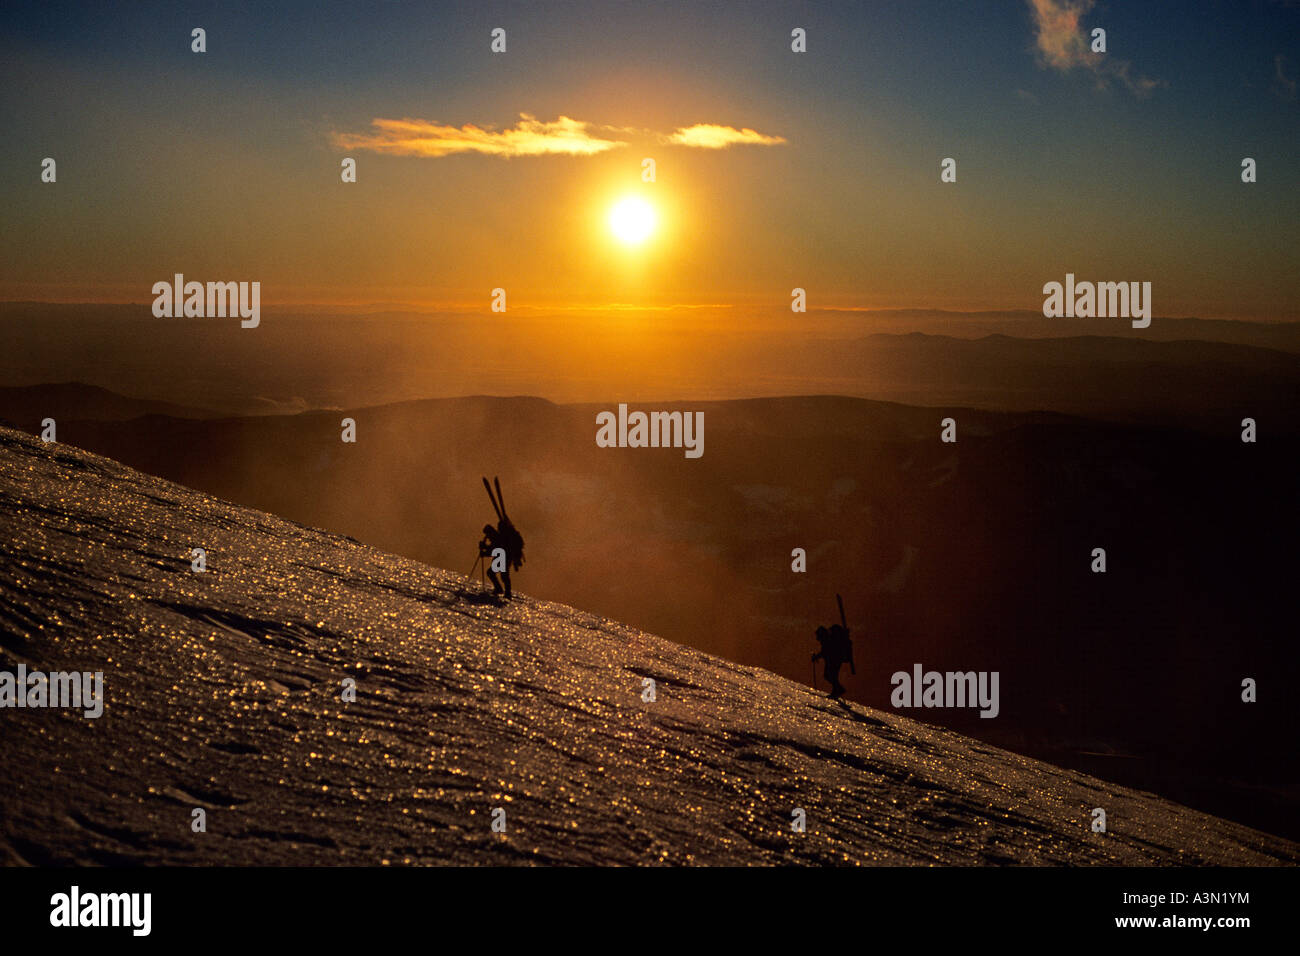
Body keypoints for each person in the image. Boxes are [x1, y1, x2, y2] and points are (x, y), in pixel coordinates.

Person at [812, 622, 855, 698]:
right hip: (836, 659)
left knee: (829, 675)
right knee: (831, 675)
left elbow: (824, 651)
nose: (817, 638)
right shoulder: (828, 639)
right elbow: (824, 652)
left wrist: (816, 657)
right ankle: (836, 691)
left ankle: (838, 690)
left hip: (834, 660)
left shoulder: (827, 640)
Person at [478, 524, 512, 599]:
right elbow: (492, 549)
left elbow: (493, 550)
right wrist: (485, 547)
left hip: (502, 558)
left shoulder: (496, 538)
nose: (487, 536)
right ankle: (504, 591)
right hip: (503, 558)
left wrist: (484, 551)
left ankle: (505, 592)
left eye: (487, 534)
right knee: (497, 574)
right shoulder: (496, 537)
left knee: (500, 575)